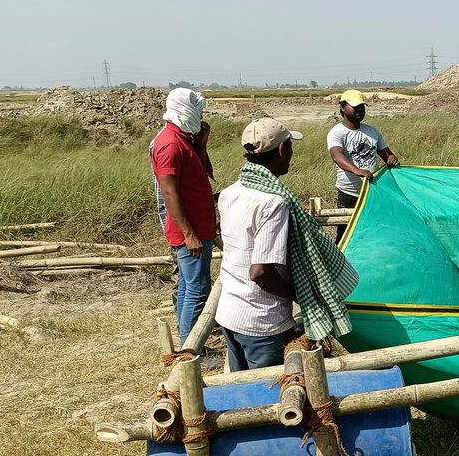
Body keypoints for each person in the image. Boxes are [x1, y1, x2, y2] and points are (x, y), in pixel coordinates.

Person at [215, 118, 360, 370]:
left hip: (229, 311)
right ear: (282, 150)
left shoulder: (230, 192)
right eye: (290, 147)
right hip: (262, 322)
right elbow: (260, 272)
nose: (291, 154)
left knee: (240, 393)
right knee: (268, 400)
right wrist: (301, 297)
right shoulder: (273, 203)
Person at [151, 88, 217, 343]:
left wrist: (201, 145)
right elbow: (169, 193)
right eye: (197, 111)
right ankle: (191, 350)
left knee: (192, 287)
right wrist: (189, 234)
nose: (200, 116)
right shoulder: (169, 143)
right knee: (197, 291)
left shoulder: (185, 139)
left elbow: (202, 174)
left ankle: (187, 345)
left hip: (199, 227)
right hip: (190, 231)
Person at [327, 89, 400, 240]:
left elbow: (387, 153)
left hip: (371, 192)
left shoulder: (372, 131)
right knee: (346, 235)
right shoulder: (337, 132)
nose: (359, 110)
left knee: (373, 231)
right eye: (355, 106)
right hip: (349, 194)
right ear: (342, 107)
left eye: (362, 106)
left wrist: (391, 158)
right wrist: (356, 170)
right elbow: (337, 156)